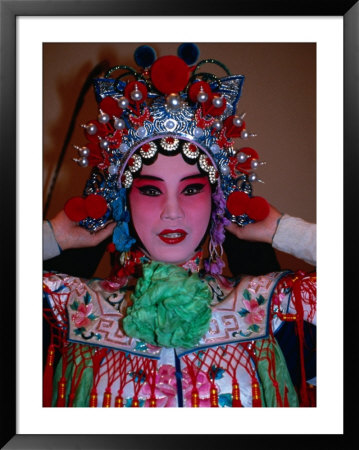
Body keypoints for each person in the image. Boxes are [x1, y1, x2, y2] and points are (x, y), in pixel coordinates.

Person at [43, 44, 316, 408]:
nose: (172, 212)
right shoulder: (69, 307)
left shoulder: (272, 308)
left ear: (217, 199)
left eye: (190, 189)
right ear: (123, 200)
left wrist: (283, 230)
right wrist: (55, 235)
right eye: (151, 190)